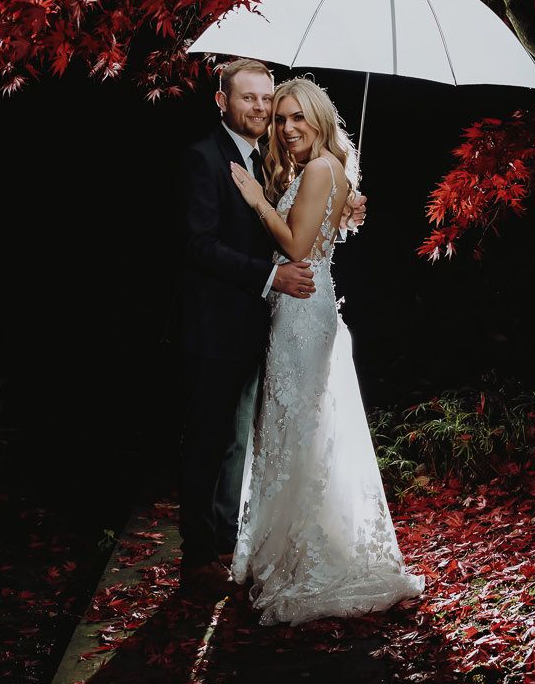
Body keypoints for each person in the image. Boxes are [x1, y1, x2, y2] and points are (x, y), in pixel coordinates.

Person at [226, 76, 426, 624]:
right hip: (304, 308)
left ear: (319, 119)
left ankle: (304, 556)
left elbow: (293, 244)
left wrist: (258, 200)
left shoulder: (318, 169)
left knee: (298, 428)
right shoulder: (325, 170)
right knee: (300, 428)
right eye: (281, 118)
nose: (286, 127)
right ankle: (291, 544)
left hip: (303, 312)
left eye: (297, 118)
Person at [175, 59, 318, 589]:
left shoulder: (266, 160)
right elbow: (199, 245)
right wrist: (270, 277)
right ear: (222, 102)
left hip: (260, 328)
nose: (259, 108)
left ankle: (227, 543)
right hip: (213, 330)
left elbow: (284, 223)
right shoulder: (203, 159)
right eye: (248, 99)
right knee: (208, 441)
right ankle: (197, 558)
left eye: (266, 99)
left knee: (240, 442)